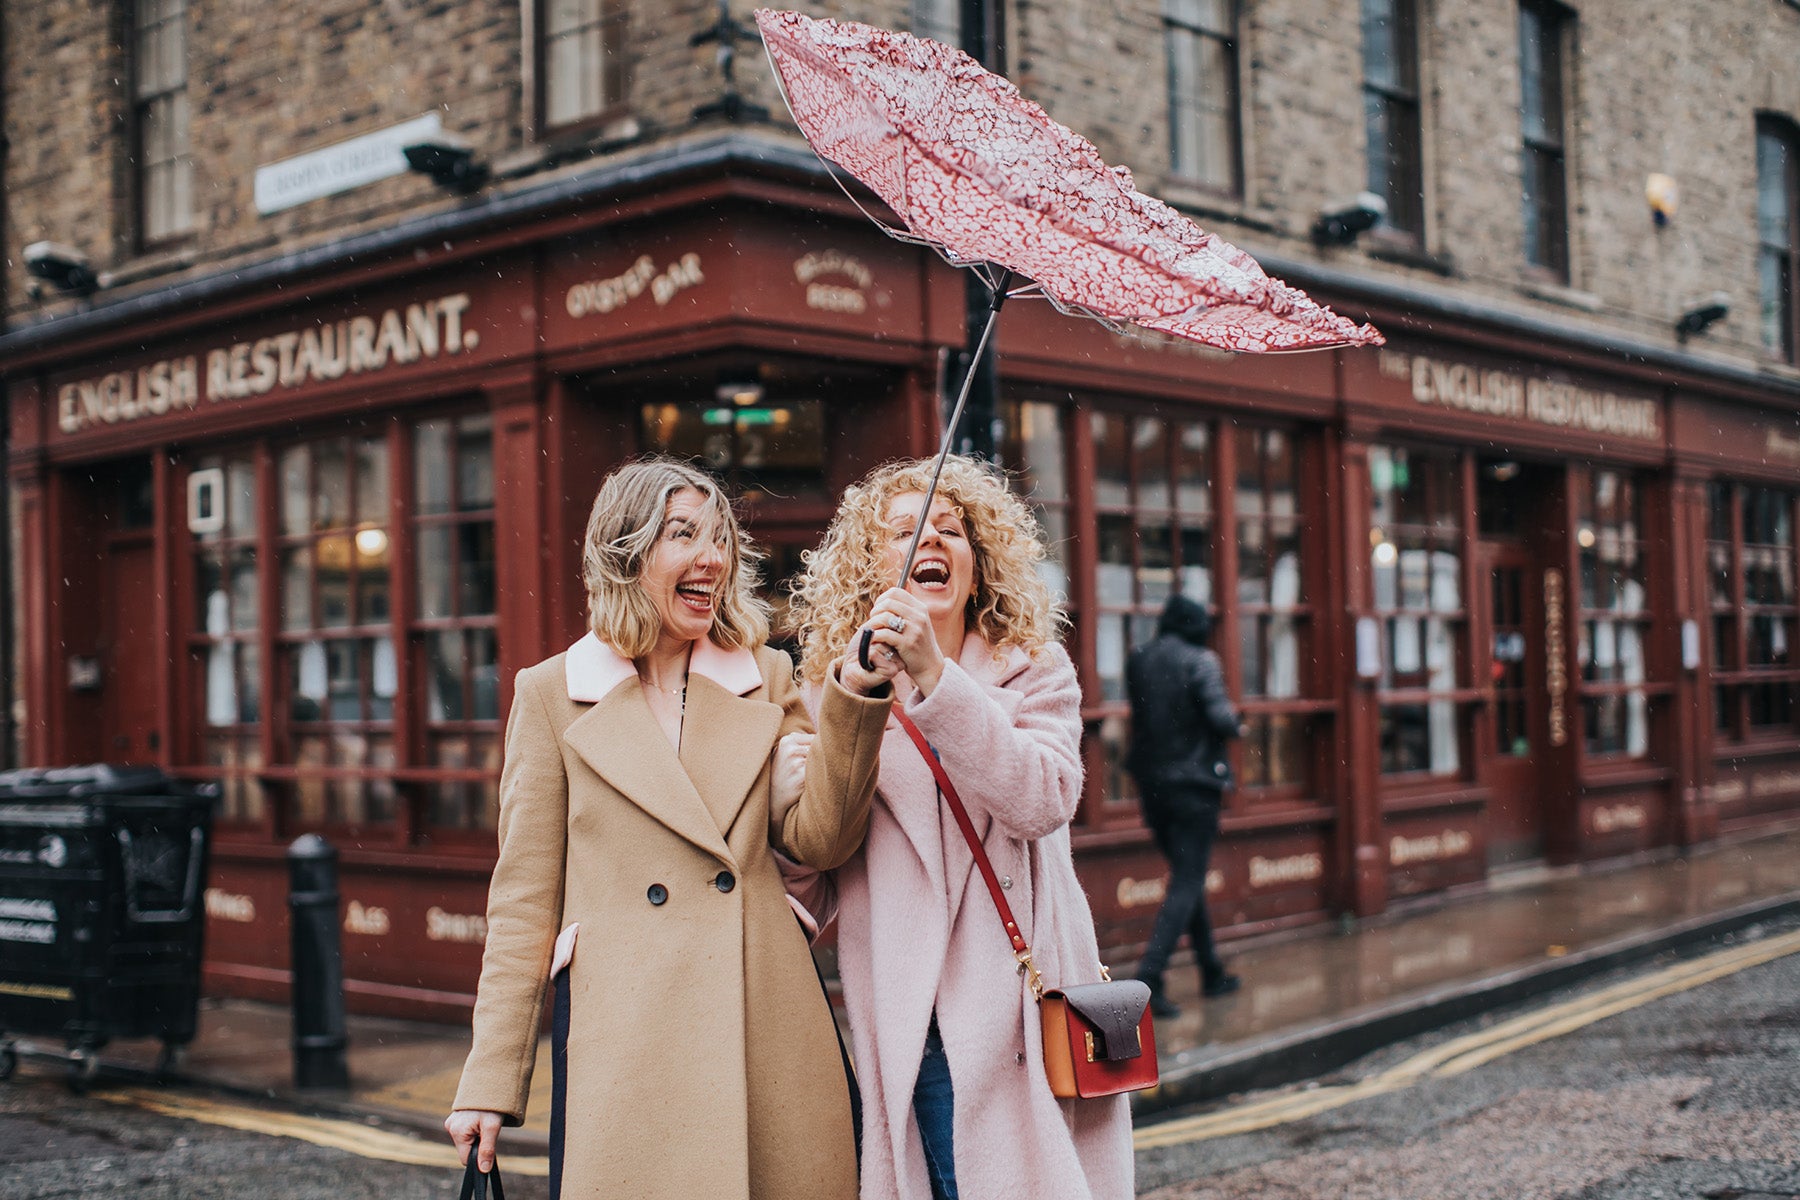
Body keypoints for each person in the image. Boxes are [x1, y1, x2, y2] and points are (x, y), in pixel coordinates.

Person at [444, 457, 897, 1200]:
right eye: (682, 534)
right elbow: (524, 901)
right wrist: (491, 1080)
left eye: (719, 537)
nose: (711, 557)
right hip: (628, 1043)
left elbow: (824, 843)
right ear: (625, 551)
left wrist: (853, 703)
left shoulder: (764, 676)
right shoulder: (553, 695)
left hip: (766, 1026)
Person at [780, 456, 1134, 1200]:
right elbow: (812, 860)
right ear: (868, 568)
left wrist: (940, 680)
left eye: (951, 530)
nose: (931, 541)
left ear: (979, 567)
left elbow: (1042, 799)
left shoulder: (1035, 669)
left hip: (1022, 1006)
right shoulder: (834, 688)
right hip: (916, 1012)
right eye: (905, 531)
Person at [1125, 593, 1243, 1019]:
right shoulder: (1201, 661)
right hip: (1194, 784)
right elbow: (1222, 718)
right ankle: (1149, 978)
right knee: (1188, 880)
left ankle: (1211, 971)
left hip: (1151, 784)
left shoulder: (1139, 659)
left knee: (1186, 878)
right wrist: (1238, 722)